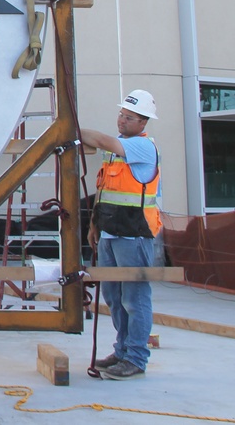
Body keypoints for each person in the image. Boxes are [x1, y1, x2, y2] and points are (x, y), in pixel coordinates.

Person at [82, 89, 161, 381]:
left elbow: (102, 140)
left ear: (143, 123)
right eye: (121, 114)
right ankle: (122, 350)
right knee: (114, 297)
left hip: (134, 235)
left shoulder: (142, 147)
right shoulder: (116, 154)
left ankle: (136, 358)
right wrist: (93, 226)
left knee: (135, 299)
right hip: (110, 235)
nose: (122, 120)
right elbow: (104, 192)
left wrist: (70, 129)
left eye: (129, 117)